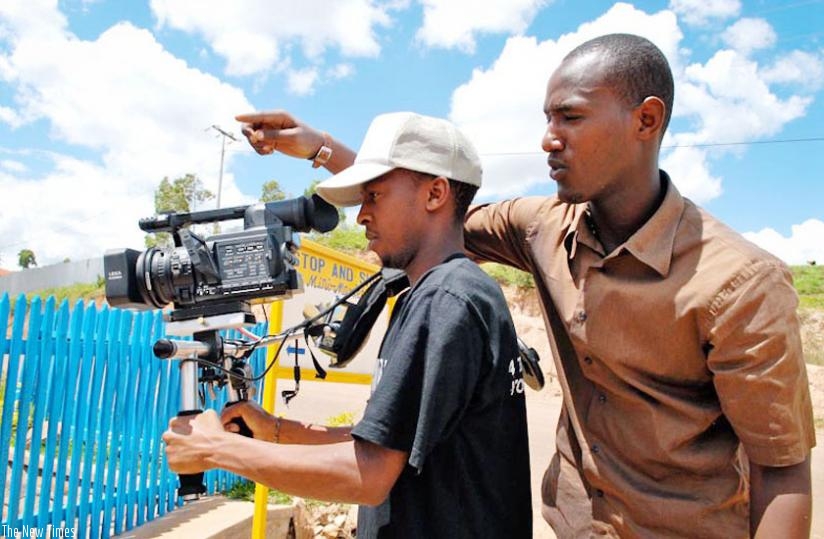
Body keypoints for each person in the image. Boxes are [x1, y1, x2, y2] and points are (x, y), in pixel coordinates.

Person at [229, 33, 815, 539]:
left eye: (572, 117)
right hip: (573, 525)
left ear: (646, 119)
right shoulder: (542, 229)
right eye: (546, 119)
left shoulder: (739, 282)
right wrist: (323, 150)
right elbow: (434, 206)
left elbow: (781, 470)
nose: (548, 138)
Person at [163, 112, 533, 538]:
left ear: (435, 194)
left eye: (374, 195)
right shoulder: (435, 294)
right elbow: (385, 444)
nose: (361, 216)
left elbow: (368, 475)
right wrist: (277, 431)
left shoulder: (446, 299)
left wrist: (215, 448)